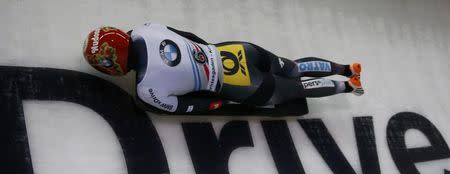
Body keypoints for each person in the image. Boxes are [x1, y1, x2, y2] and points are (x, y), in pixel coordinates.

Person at [83, 23, 363, 114]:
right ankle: (345, 67)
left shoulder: (148, 90)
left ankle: (348, 86)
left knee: (295, 89)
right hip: (235, 50)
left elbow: (195, 106)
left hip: (239, 84)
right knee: (291, 68)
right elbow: (190, 38)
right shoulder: (147, 28)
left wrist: (220, 102)